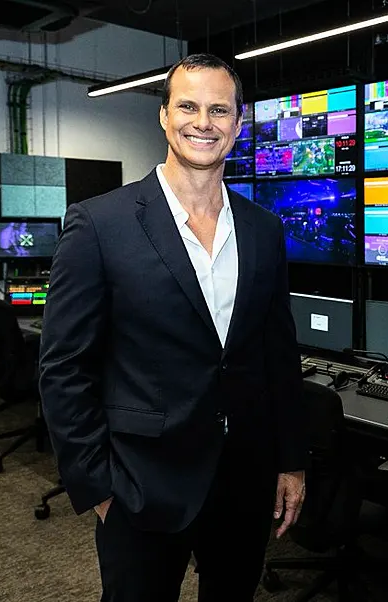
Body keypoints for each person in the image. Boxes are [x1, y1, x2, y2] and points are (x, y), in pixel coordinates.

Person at [38, 53, 307, 602]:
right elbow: (64, 367)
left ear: (238, 122)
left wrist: (291, 462)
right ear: (163, 116)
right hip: (140, 483)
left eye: (219, 110)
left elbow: (278, 355)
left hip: (243, 481)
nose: (202, 122)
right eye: (188, 106)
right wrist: (97, 486)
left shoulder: (264, 230)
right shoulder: (100, 224)